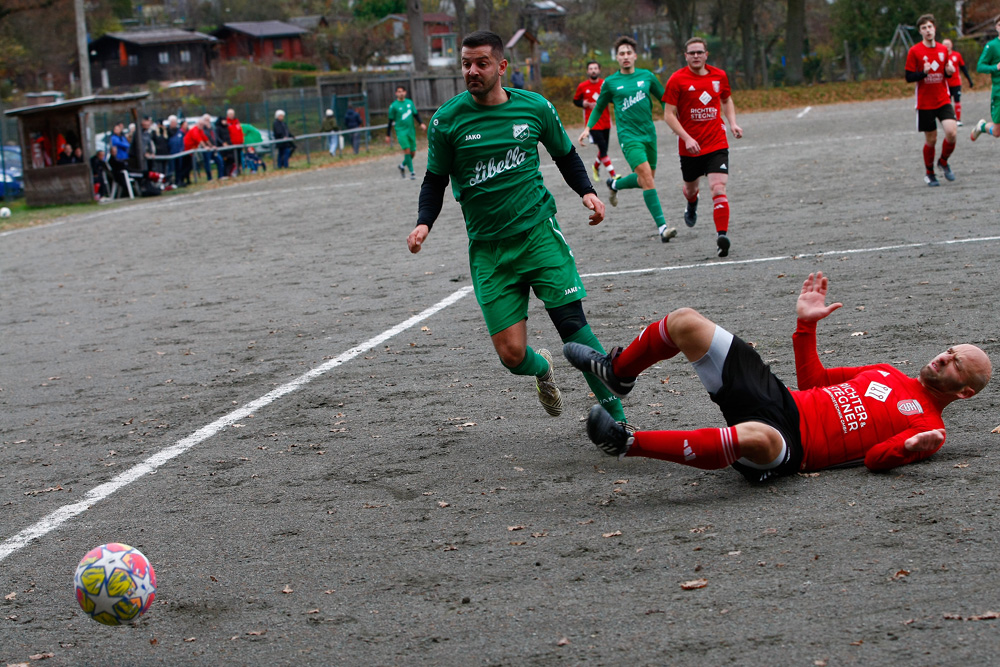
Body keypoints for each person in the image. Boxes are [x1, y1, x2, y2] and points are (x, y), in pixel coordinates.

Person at [565, 272, 992, 482]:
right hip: (780, 400)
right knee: (685, 322)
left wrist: (910, 446)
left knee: (759, 438)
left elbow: (876, 460)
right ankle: (618, 373)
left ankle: (626, 442)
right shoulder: (886, 372)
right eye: (949, 351)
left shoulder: (931, 429)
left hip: (791, 448)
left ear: (966, 392)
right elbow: (813, 380)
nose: (944, 358)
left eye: (957, 364)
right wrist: (806, 326)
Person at [406, 30, 630, 428]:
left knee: (574, 328)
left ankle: (618, 419)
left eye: (481, 63)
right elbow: (434, 180)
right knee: (512, 356)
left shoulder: (535, 108)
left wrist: (588, 193)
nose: (472, 71)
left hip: (538, 235)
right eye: (466, 64)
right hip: (489, 251)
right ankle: (542, 368)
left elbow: (565, 154)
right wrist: (424, 223)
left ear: (502, 66)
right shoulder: (446, 121)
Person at [579, 36, 677, 243]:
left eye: (628, 53)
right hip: (629, 137)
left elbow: (664, 100)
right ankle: (663, 228)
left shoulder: (647, 77)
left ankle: (615, 185)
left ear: (635, 56)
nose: (625, 56)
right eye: (621, 53)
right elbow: (599, 107)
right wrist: (587, 128)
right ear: (617, 57)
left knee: (645, 179)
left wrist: (675, 122)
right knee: (647, 179)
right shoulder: (611, 83)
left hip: (649, 135)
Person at [662, 37, 743, 258]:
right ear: (685, 55)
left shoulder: (719, 76)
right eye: (692, 53)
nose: (696, 56)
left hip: (717, 142)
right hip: (690, 147)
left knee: (718, 188)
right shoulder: (677, 80)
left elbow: (726, 100)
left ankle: (721, 237)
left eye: (700, 52)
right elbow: (668, 114)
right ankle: (691, 203)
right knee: (690, 189)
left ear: (706, 54)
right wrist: (686, 138)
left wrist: (732, 123)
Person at [905, 14, 958, 186]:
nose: (928, 30)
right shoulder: (914, 51)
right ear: (920, 32)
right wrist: (923, 73)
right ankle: (929, 173)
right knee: (931, 140)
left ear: (935, 28)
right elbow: (909, 77)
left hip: (943, 98)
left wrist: (949, 71)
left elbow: (946, 74)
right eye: (924, 28)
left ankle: (943, 161)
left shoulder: (943, 49)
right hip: (925, 102)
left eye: (930, 27)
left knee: (951, 132)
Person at [573, 60, 617, 182]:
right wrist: (583, 103)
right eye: (591, 68)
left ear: (599, 70)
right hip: (592, 124)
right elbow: (575, 101)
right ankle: (613, 175)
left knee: (603, 150)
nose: (593, 70)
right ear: (587, 71)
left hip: (606, 122)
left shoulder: (605, 84)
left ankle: (595, 167)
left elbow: (613, 99)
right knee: (603, 149)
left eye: (595, 68)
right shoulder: (582, 86)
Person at [386, 86, 426, 180]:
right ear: (396, 93)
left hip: (411, 131)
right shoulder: (393, 106)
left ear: (405, 92)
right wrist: (388, 135)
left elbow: (415, 114)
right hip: (401, 131)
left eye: (402, 91)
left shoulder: (409, 102)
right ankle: (412, 172)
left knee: (412, 153)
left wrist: (421, 123)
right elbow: (390, 121)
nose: (401, 93)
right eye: (399, 92)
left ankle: (402, 165)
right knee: (407, 150)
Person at [971, 16, 1000, 142]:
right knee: (997, 132)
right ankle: (982, 127)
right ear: (997, 27)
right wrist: (996, 67)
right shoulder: (992, 46)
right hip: (999, 93)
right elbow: (980, 67)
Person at [942, 39, 974, 126]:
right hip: (945, 84)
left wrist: (969, 80)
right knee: (946, 103)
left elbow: (963, 68)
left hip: (956, 83)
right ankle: (948, 119)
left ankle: (958, 119)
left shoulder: (957, 55)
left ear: (951, 45)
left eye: (948, 44)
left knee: (957, 100)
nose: (947, 46)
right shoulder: (941, 56)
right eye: (945, 44)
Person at [183, 114, 224, 181]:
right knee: (188, 167)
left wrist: (211, 146)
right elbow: (200, 140)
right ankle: (185, 180)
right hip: (187, 150)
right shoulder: (195, 130)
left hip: (192, 150)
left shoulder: (201, 130)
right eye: (200, 124)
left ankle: (220, 176)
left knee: (219, 160)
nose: (202, 126)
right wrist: (205, 147)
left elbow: (205, 139)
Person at [226, 108, 244, 176]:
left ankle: (239, 170)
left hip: (239, 143)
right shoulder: (227, 122)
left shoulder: (236, 121)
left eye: (232, 114)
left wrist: (242, 140)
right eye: (230, 114)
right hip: (232, 144)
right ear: (227, 115)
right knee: (233, 158)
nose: (231, 115)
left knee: (239, 158)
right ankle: (232, 171)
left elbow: (240, 131)